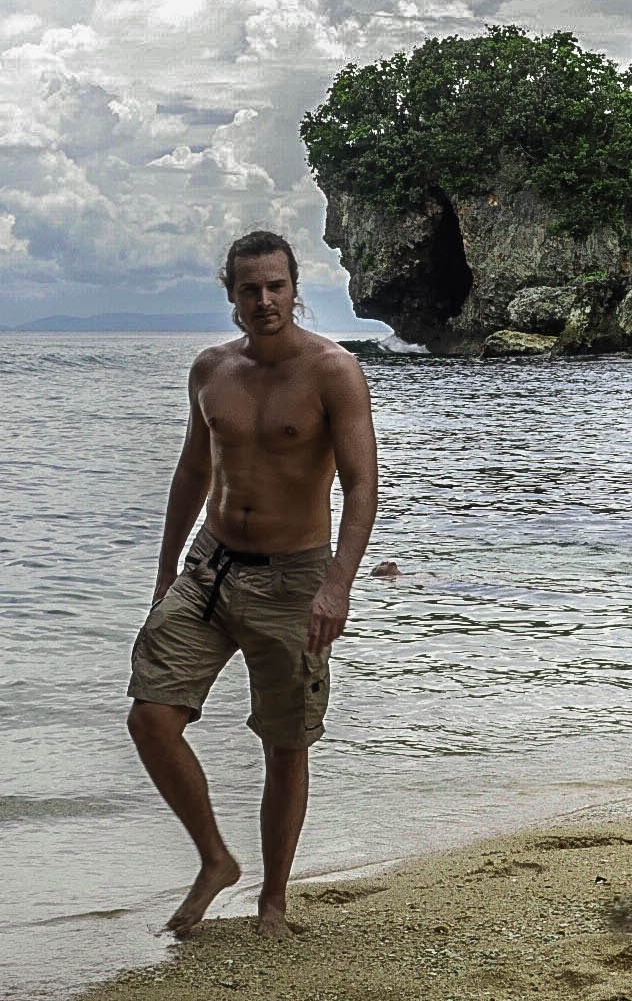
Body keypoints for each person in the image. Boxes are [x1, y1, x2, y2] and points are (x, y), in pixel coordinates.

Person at [126, 230, 379, 942]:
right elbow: (191, 473)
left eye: (275, 285)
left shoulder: (334, 371)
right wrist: (165, 569)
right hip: (211, 568)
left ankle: (273, 901)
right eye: (249, 288)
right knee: (150, 716)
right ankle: (214, 860)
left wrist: (338, 585)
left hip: (296, 577)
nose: (263, 300)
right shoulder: (211, 370)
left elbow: (362, 488)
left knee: (285, 742)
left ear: (297, 287)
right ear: (231, 296)